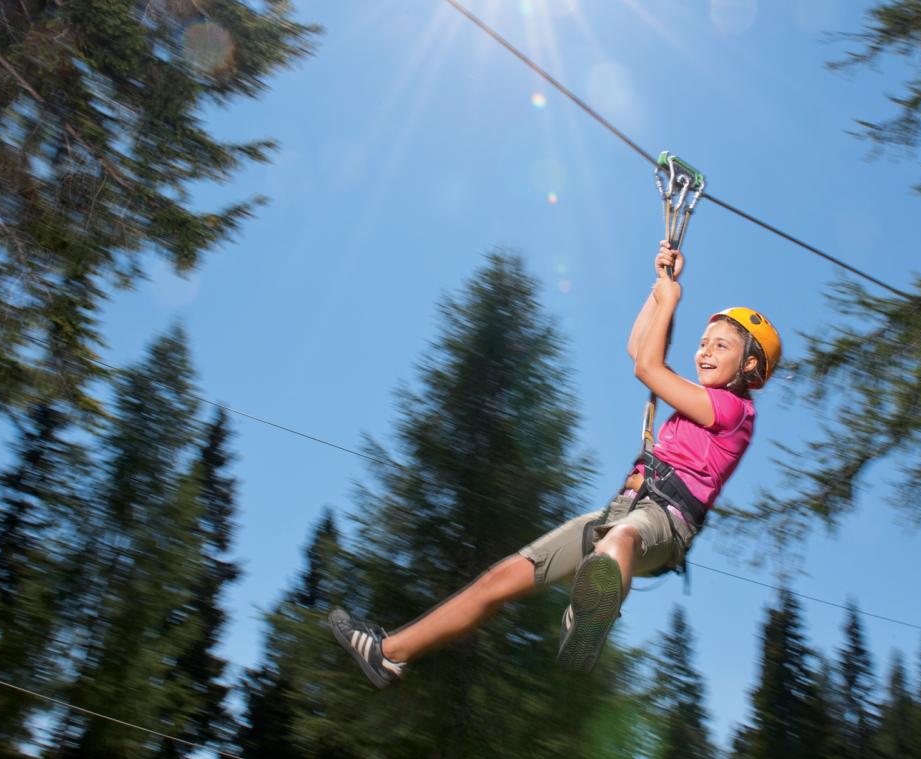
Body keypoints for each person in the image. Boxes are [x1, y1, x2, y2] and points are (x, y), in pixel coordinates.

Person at [328, 242, 781, 686]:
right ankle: (388, 654)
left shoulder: (734, 412)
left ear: (750, 368)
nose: (704, 351)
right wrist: (660, 286)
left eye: (720, 346)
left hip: (663, 522)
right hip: (620, 511)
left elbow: (646, 368)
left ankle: (586, 620)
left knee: (621, 541)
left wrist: (672, 299)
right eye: (703, 342)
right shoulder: (700, 400)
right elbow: (638, 349)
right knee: (500, 579)